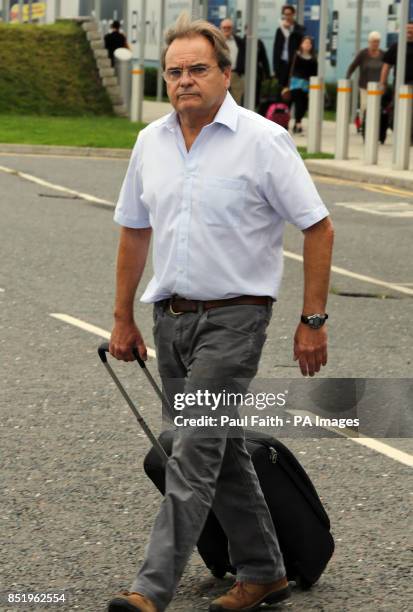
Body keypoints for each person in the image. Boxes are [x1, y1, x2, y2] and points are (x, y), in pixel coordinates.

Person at [107, 12, 334, 612]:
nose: (184, 80)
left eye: (198, 69)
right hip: (170, 319)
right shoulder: (149, 142)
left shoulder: (262, 140)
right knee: (220, 449)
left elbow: (318, 226)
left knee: (192, 453)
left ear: (226, 73)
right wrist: (122, 317)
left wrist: (313, 319)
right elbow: (134, 231)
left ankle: (149, 590)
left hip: (235, 321)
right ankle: (264, 571)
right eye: (175, 71)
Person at [220, 18, 270, 106]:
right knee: (219, 100)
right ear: (220, 28)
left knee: (236, 102)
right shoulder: (216, 41)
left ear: (233, 29)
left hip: (236, 75)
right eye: (224, 27)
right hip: (220, 74)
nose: (227, 29)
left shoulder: (239, 41)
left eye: (229, 27)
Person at [346, 31, 384, 117]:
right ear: (369, 42)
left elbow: (386, 68)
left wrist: (383, 82)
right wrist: (347, 76)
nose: (376, 43)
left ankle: (374, 126)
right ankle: (362, 125)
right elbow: (353, 65)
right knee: (365, 105)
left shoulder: (382, 54)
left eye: (377, 41)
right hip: (364, 86)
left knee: (376, 107)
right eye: (374, 41)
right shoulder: (363, 54)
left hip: (377, 86)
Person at [289, 36, 318, 134]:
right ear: (301, 44)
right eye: (305, 43)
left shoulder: (313, 59)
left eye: (309, 43)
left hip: (306, 85)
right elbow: (291, 69)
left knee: (303, 105)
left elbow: (314, 73)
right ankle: (298, 124)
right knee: (298, 104)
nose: (307, 45)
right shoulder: (296, 55)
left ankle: (298, 122)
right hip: (296, 83)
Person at [273, 4, 305, 88]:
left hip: (294, 63)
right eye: (285, 14)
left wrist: (290, 29)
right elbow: (276, 49)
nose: (287, 17)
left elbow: (299, 37)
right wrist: (275, 67)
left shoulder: (299, 28)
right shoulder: (279, 30)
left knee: (293, 89)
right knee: (281, 90)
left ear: (293, 14)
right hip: (282, 63)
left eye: (289, 14)